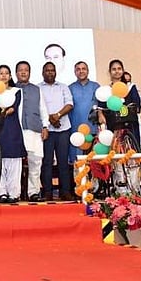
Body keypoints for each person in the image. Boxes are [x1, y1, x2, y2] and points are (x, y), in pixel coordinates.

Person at [39, 62, 74, 201]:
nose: (50, 72)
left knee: (63, 162)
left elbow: (69, 104)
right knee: (47, 162)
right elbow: (38, 107)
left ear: (55, 72)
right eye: (47, 70)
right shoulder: (38, 88)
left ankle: (65, 191)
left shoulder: (63, 87)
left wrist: (57, 116)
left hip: (63, 128)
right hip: (46, 129)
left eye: (52, 70)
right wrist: (50, 119)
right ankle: (47, 192)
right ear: (43, 72)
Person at [15, 61, 49, 202]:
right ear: (16, 73)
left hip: (34, 130)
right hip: (17, 131)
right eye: (20, 70)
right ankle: (15, 193)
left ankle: (33, 192)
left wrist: (45, 126)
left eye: (26, 70)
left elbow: (43, 109)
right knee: (16, 164)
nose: (23, 72)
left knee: (35, 162)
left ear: (29, 72)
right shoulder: (12, 89)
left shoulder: (37, 89)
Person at [0, 65, 26, 203]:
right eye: (1, 73)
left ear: (10, 76)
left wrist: (4, 111)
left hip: (12, 130)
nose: (4, 75)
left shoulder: (16, 91)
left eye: (6, 73)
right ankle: (1, 193)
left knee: (14, 163)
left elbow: (13, 108)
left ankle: (13, 193)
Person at [99, 59, 141, 147]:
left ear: (123, 70)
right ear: (110, 72)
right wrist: (100, 114)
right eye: (114, 69)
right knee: (115, 148)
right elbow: (101, 107)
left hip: (130, 123)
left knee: (134, 147)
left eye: (119, 69)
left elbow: (136, 103)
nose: (117, 71)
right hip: (113, 123)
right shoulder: (106, 90)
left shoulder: (130, 87)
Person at [68, 61, 101, 165]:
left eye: (83, 69)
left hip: (93, 129)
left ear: (88, 71)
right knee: (78, 163)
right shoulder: (70, 88)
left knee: (94, 162)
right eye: (78, 69)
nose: (81, 71)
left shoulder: (95, 86)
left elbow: (100, 106)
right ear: (75, 72)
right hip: (76, 130)